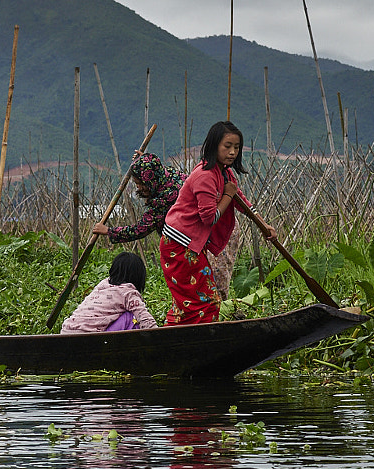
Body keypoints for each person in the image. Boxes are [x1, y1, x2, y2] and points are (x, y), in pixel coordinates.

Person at [159, 121, 275, 325]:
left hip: (189, 245)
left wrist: (263, 225)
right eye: (227, 146)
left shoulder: (224, 172)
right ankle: (190, 338)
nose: (232, 152)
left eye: (236, 147)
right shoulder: (205, 176)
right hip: (179, 246)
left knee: (194, 301)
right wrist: (227, 196)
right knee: (205, 301)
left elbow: (241, 201)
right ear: (214, 146)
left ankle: (178, 336)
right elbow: (209, 217)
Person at [91, 151, 184, 244]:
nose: (138, 187)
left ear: (149, 181)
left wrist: (108, 231)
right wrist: (143, 160)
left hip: (182, 243)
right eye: (136, 183)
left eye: (140, 183)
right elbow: (153, 167)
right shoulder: (169, 175)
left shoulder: (164, 200)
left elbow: (140, 230)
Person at [61, 251, 159, 333]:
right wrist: (160, 337)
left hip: (67, 332)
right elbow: (144, 318)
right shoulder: (128, 293)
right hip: (90, 339)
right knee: (132, 317)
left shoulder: (103, 285)